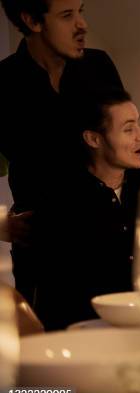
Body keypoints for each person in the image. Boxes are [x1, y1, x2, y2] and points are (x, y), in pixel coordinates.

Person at [0, 0, 123, 304]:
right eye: (67, 15)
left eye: (81, 11)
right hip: (45, 257)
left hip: (112, 243)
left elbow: (124, 138)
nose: (82, 24)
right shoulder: (3, 83)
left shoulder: (100, 67)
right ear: (31, 19)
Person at [33, 88, 140, 330]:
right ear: (94, 139)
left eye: (138, 125)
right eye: (129, 129)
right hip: (84, 334)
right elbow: (57, 297)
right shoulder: (60, 201)